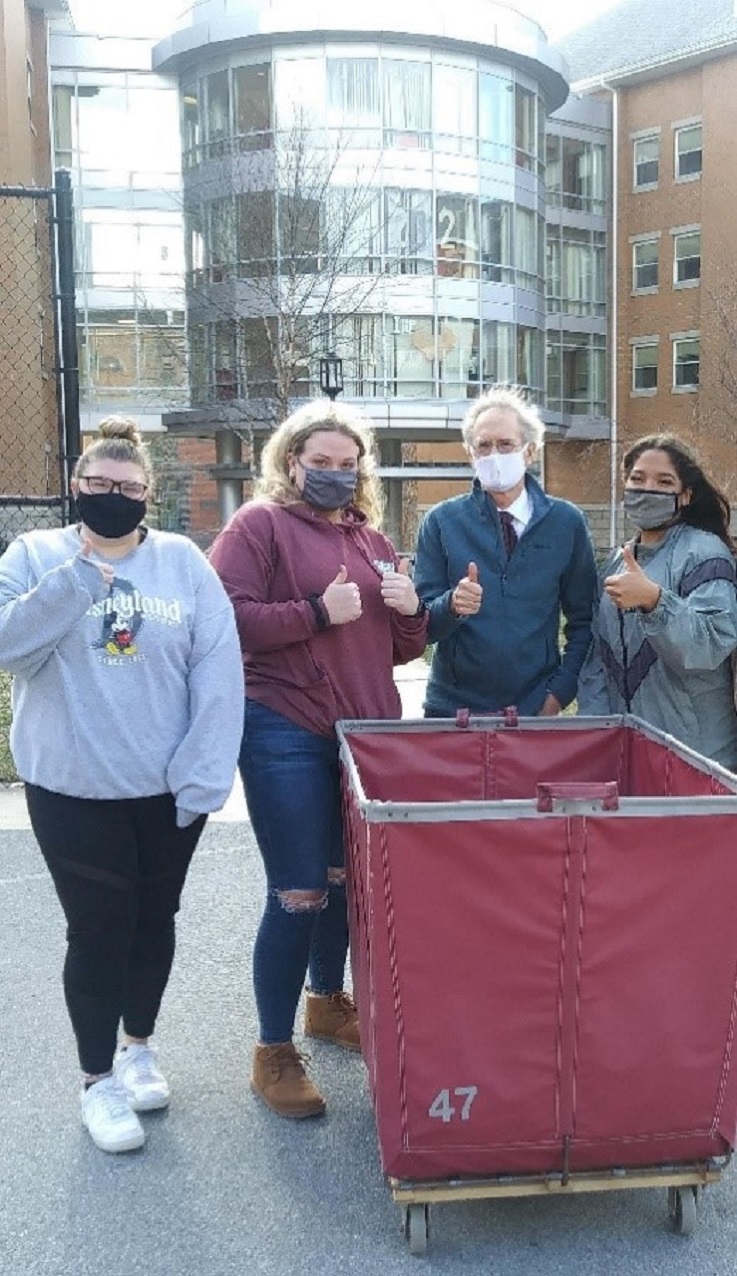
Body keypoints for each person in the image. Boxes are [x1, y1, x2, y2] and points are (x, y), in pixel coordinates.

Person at [0, 417, 243, 1154]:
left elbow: (217, 668)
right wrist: (75, 580)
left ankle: (139, 1046)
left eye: (128, 488)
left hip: (167, 787)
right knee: (98, 929)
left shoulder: (181, 561)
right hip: (71, 786)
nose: (114, 497)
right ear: (76, 489)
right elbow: (9, 648)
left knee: (154, 918)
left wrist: (204, 771)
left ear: (149, 494)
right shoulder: (34, 553)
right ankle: (95, 1080)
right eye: (99, 487)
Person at [209, 400, 428, 1120]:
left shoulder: (369, 538)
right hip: (284, 727)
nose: (333, 475)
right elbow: (225, 614)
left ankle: (326, 1004)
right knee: (298, 890)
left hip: (362, 734)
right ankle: (272, 1051)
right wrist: (310, 612)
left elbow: (402, 650)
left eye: (345, 463)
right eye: (319, 462)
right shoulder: (258, 526)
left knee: (343, 883)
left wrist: (408, 609)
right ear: (291, 462)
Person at [414, 385, 597, 717]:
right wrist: (452, 605)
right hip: (453, 711)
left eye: (505, 445)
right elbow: (420, 626)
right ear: (469, 452)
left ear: (530, 451)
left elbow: (585, 621)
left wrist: (557, 695)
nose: (493, 455)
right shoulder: (441, 522)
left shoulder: (566, 523)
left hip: (533, 710)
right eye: (483, 445)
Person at [577, 433, 737, 768]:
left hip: (696, 759)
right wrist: (595, 732)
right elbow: (597, 661)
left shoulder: (705, 554)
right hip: (631, 756)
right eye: (638, 479)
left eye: (664, 482)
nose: (647, 488)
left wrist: (655, 600)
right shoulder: (616, 563)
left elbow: (708, 647)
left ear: (686, 495)